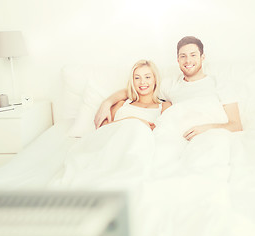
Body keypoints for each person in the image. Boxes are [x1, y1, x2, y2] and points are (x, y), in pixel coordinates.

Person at [94, 36, 242, 140]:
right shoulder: (170, 85)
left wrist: (205, 129)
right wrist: (107, 103)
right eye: (183, 56)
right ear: (177, 60)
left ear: (202, 57)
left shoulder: (220, 84)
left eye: (193, 55)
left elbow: (236, 125)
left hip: (212, 136)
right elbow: (138, 89)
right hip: (181, 139)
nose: (188, 60)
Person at [56, 59, 171, 188]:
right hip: (114, 144)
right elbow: (104, 128)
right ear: (132, 81)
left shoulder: (164, 106)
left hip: (138, 148)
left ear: (155, 79)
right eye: (137, 78)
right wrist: (135, 120)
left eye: (147, 77)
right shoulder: (122, 103)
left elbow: (161, 130)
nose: (142, 82)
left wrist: (136, 124)